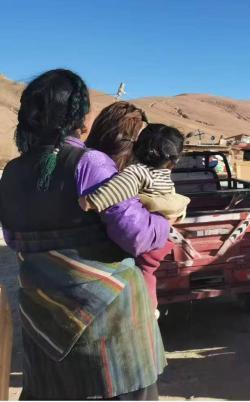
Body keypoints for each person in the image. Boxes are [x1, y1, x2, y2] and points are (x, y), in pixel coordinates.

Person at [0, 69, 170, 399]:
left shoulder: (13, 172)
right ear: (78, 117)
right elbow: (135, 235)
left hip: (44, 316)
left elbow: (12, 237)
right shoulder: (91, 163)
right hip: (109, 327)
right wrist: (164, 221)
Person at [80, 123, 190, 310]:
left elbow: (115, 190)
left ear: (137, 147)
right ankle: (151, 309)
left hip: (148, 241)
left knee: (142, 273)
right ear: (174, 159)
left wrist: (88, 201)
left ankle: (147, 309)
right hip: (163, 238)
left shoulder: (137, 172)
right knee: (148, 272)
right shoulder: (164, 175)